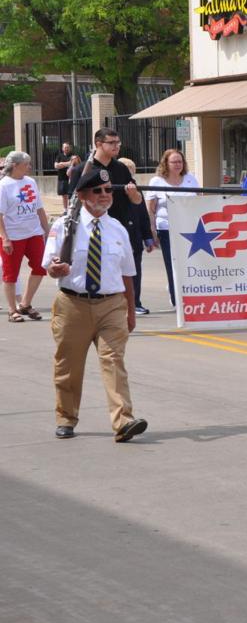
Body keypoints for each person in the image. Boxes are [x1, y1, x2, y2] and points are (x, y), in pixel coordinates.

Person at [42, 168, 148, 442]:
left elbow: (127, 274)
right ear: (81, 195)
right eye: (97, 191)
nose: (104, 195)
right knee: (68, 365)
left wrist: (130, 310)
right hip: (72, 304)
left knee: (114, 362)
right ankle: (66, 418)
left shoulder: (118, 229)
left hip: (111, 306)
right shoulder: (64, 225)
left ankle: (123, 421)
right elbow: (50, 265)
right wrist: (56, 269)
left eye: (108, 190)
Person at [146, 149, 199, 308]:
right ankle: (176, 299)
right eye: (174, 162)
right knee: (172, 264)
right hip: (166, 228)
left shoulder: (190, 179)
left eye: (180, 161)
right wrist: (152, 230)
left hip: (189, 228)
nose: (178, 165)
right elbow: (151, 209)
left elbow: (199, 202)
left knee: (188, 264)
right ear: (166, 163)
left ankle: (188, 294)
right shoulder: (157, 181)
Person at [1, 151, 50, 322]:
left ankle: (25, 304)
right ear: (15, 166)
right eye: (26, 164)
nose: (29, 167)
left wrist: (47, 231)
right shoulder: (4, 185)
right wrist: (5, 238)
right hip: (13, 235)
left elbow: (39, 208)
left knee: (40, 267)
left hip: (34, 233)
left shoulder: (30, 182)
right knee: (11, 274)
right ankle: (12, 310)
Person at [117, 158, 155, 315]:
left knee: (135, 272)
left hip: (135, 238)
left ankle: (135, 302)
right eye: (125, 170)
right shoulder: (114, 191)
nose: (129, 174)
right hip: (119, 238)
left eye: (131, 170)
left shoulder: (136, 191)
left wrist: (148, 238)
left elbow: (143, 215)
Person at [54, 142, 79, 213]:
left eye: (67, 147)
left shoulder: (73, 156)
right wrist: (68, 163)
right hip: (62, 178)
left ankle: (71, 210)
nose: (66, 149)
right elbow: (56, 166)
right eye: (65, 147)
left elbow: (75, 163)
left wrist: (61, 164)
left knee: (71, 195)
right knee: (64, 195)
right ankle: (65, 210)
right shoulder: (59, 156)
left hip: (71, 179)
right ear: (62, 148)